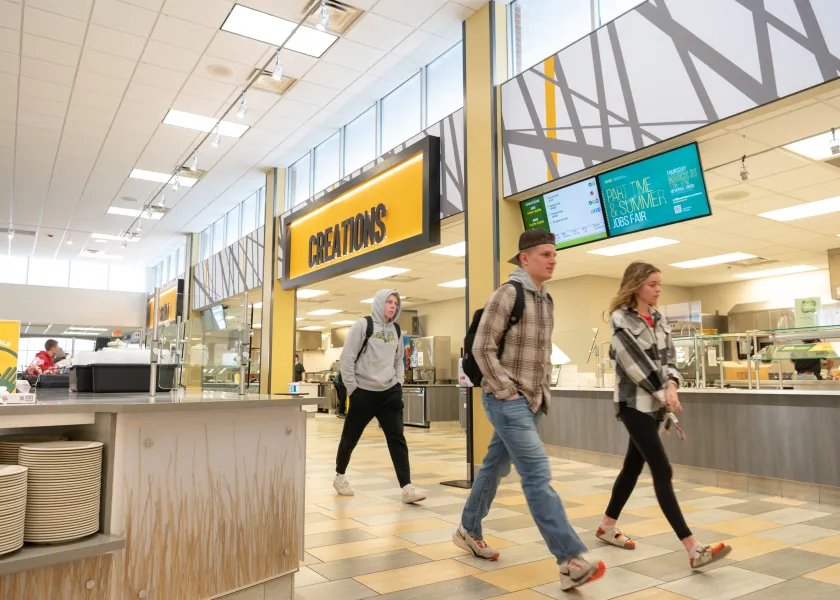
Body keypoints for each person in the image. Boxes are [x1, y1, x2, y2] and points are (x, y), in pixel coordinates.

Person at [452, 230, 605, 591]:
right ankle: (569, 560)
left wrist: (541, 394)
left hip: (532, 402)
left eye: (555, 254)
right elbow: (481, 348)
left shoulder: (546, 300)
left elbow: (542, 354)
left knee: (495, 465)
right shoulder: (508, 294)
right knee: (537, 474)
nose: (553, 259)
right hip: (508, 400)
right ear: (525, 258)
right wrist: (508, 392)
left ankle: (467, 528)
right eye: (545, 254)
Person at [597, 261, 731, 569]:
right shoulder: (620, 319)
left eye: (660, 284)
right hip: (633, 405)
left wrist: (672, 384)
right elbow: (634, 364)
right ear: (636, 285)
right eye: (653, 284)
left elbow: (669, 356)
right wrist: (665, 391)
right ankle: (693, 547)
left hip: (657, 406)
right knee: (662, 470)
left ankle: (606, 526)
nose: (658, 289)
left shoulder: (659, 318)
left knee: (632, 467)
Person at [333, 289, 425, 504]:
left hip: (389, 393)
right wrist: (352, 389)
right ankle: (340, 476)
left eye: (396, 303)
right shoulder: (363, 325)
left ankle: (407, 487)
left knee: (397, 439)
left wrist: (398, 382)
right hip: (363, 392)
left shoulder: (396, 330)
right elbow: (346, 359)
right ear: (379, 303)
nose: (393, 306)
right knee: (350, 438)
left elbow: (398, 360)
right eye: (389, 302)